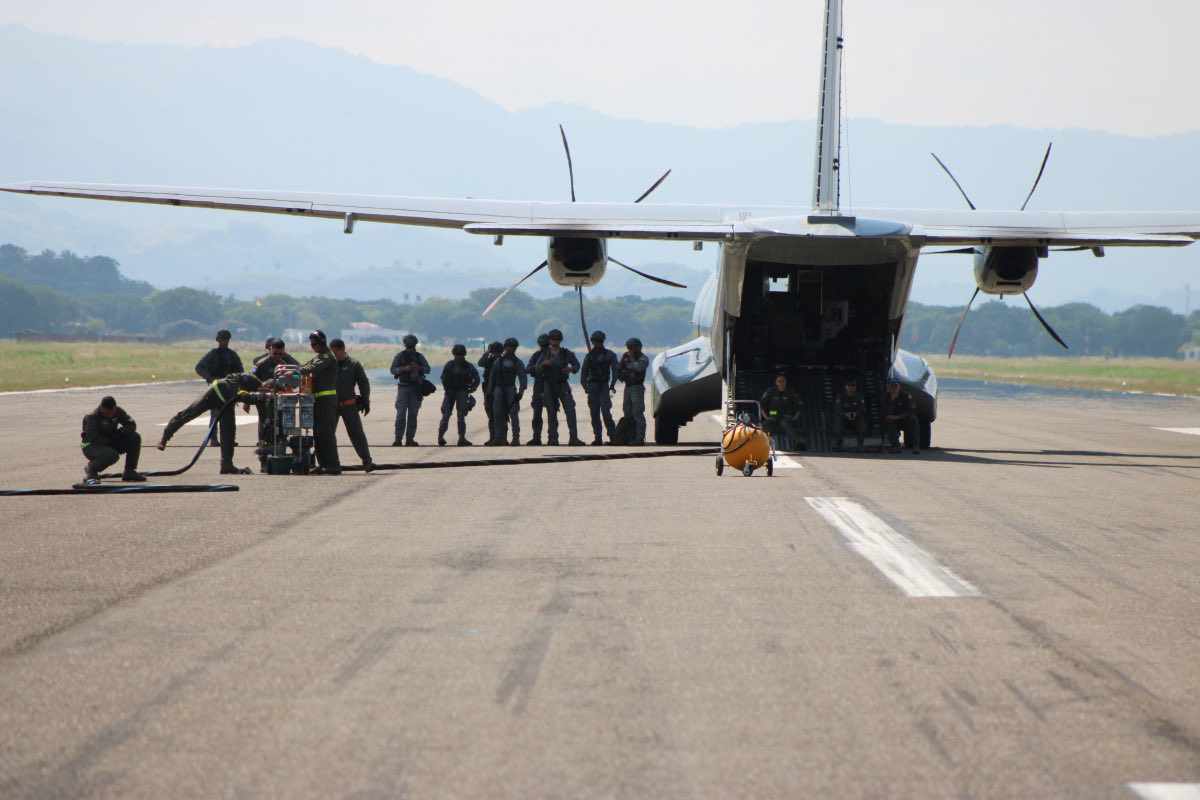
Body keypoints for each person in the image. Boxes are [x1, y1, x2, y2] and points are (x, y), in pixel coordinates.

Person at [158, 372, 263, 473]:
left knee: (228, 432)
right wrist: (238, 390)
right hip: (214, 393)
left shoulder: (263, 396)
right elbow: (232, 378)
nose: (267, 389)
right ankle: (165, 437)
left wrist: (247, 401)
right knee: (188, 414)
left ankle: (227, 464)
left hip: (226, 402)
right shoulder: (251, 379)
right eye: (267, 386)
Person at [251, 337, 300, 471]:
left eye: (280, 353)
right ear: (269, 350)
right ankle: (264, 461)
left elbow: (297, 371)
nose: (277, 357)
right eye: (274, 353)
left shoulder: (284, 365)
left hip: (280, 401)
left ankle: (280, 456)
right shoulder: (261, 365)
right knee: (265, 429)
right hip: (264, 402)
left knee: (281, 428)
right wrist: (248, 401)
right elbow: (251, 382)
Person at [299, 329, 342, 474]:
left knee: (326, 433)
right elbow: (305, 365)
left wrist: (296, 371)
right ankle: (323, 463)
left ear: (322, 343)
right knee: (317, 433)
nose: (312, 347)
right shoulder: (319, 356)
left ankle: (333, 465)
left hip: (326, 400)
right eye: (311, 345)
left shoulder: (327, 357)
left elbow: (312, 368)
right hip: (317, 399)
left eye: (314, 344)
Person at [330, 338, 376, 471]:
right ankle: (331, 463)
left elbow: (363, 382)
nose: (333, 356)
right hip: (331, 405)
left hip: (349, 405)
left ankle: (367, 461)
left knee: (357, 435)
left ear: (342, 351)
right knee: (328, 435)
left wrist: (366, 401)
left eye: (335, 353)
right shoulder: (329, 364)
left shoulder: (354, 364)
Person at [194, 329, 243, 447]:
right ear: (218, 340)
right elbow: (199, 367)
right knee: (215, 414)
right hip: (216, 388)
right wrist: (209, 377)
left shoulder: (233, 355)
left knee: (229, 416)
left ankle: (230, 439)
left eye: (225, 339)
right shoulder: (212, 354)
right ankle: (213, 439)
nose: (223, 342)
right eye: (221, 339)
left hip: (229, 388)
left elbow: (240, 371)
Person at [81, 395, 144, 483]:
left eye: (112, 413)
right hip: (91, 445)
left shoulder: (118, 411)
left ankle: (129, 471)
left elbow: (131, 424)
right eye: (107, 413)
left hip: (111, 441)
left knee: (135, 437)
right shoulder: (92, 417)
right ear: (101, 407)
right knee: (112, 455)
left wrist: (121, 433)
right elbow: (94, 438)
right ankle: (91, 469)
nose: (110, 416)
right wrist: (113, 441)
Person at [538, 329, 584, 446]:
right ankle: (553, 438)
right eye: (553, 339)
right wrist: (544, 364)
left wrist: (571, 369)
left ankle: (573, 437)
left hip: (563, 384)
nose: (555, 341)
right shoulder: (544, 354)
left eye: (557, 339)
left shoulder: (566, 353)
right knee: (551, 412)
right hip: (549, 385)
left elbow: (577, 365)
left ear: (560, 340)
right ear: (549, 340)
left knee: (570, 410)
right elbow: (536, 369)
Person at [580, 330, 619, 445]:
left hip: (603, 386)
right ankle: (598, 437)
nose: (598, 344)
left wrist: (612, 384)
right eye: (596, 341)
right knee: (594, 413)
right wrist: (585, 386)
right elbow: (584, 371)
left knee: (606, 412)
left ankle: (612, 435)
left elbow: (615, 370)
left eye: (600, 341)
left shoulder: (610, 355)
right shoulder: (589, 356)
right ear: (592, 342)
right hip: (592, 386)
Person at [390, 333, 430, 446]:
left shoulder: (419, 357)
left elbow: (427, 369)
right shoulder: (400, 356)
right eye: (409, 346)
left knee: (412, 415)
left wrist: (418, 368)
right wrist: (403, 369)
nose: (410, 349)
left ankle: (409, 439)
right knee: (401, 414)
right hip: (404, 387)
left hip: (415, 388)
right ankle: (399, 438)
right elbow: (393, 370)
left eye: (412, 347)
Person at [487, 337, 527, 446]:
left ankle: (516, 438)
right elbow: (492, 376)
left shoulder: (517, 362)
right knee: (497, 414)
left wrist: (520, 393)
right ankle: (499, 438)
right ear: (505, 347)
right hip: (498, 388)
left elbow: (523, 377)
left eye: (513, 347)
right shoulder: (498, 361)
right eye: (509, 346)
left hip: (510, 388)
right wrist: (489, 392)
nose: (511, 349)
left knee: (513, 414)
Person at [438, 344, 480, 446]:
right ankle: (441, 437)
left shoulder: (467, 366)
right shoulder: (449, 365)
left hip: (462, 391)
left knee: (461, 416)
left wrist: (472, 388)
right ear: (454, 354)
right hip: (450, 392)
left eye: (460, 354)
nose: (459, 356)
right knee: (446, 415)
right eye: (457, 354)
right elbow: (443, 378)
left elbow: (477, 378)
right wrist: (446, 388)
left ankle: (461, 437)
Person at [759, 373, 804, 450]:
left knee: (785, 423)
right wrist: (766, 417)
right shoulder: (771, 391)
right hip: (773, 417)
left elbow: (800, 406)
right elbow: (761, 404)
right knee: (764, 425)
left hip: (785, 417)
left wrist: (794, 418)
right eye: (779, 381)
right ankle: (762, 445)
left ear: (786, 382)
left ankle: (798, 443)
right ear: (776, 383)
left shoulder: (790, 392)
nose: (781, 383)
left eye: (783, 381)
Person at [525, 333, 550, 445]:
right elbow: (528, 369)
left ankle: (552, 437)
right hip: (539, 384)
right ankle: (537, 436)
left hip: (551, 384)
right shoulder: (537, 356)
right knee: (537, 412)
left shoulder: (553, 355)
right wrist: (537, 367)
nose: (543, 347)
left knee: (551, 412)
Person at [883, 377, 920, 455]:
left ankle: (915, 445)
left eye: (895, 386)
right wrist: (892, 401)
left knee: (913, 419)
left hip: (905, 420)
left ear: (899, 387)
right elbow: (885, 412)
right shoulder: (886, 397)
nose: (894, 388)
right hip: (894, 421)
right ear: (889, 388)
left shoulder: (905, 396)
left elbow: (911, 411)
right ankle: (895, 445)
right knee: (888, 421)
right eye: (891, 386)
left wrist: (897, 417)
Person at [832, 377, 867, 452]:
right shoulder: (840, 396)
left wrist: (854, 414)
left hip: (855, 418)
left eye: (853, 385)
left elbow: (862, 409)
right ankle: (839, 444)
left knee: (861, 421)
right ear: (846, 386)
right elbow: (837, 409)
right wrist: (845, 414)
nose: (851, 387)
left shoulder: (859, 396)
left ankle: (860, 445)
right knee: (839, 420)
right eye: (849, 385)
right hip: (844, 418)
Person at [477, 341, 503, 441]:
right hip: (488, 389)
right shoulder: (488, 360)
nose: (497, 354)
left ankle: (501, 437)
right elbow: (480, 363)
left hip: (501, 388)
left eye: (499, 352)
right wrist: (487, 353)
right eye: (494, 352)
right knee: (491, 414)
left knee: (501, 414)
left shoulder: (503, 360)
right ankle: (493, 437)